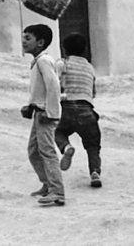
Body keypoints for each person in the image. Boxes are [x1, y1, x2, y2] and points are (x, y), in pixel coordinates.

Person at [21, 23, 65, 207]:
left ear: (40, 42)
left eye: (28, 38)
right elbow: (40, 90)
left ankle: (57, 191)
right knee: (33, 151)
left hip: (46, 114)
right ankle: (47, 184)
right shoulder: (38, 61)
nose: (23, 41)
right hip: (39, 112)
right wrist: (30, 106)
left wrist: (51, 112)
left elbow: (53, 86)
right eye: (23, 37)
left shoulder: (43, 61)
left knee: (47, 152)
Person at [55, 32, 103, 188]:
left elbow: (55, 84)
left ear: (64, 49)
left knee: (59, 132)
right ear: (84, 50)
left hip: (67, 107)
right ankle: (95, 172)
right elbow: (93, 93)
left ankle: (66, 147)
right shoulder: (90, 68)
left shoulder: (62, 63)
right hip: (87, 109)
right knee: (93, 145)